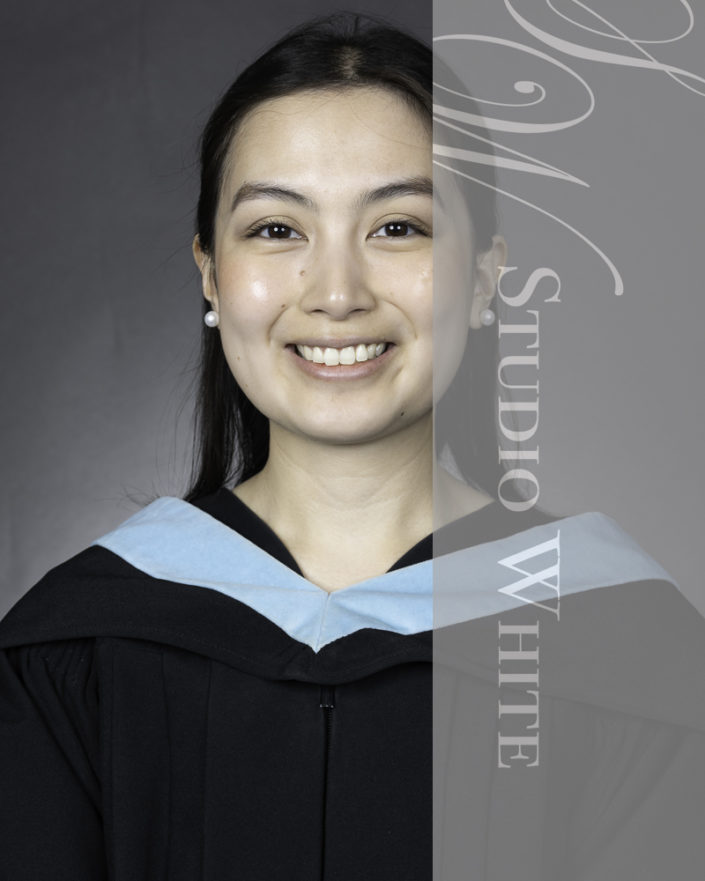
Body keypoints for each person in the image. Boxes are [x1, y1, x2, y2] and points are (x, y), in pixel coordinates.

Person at [1, 13, 704, 881]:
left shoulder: (630, 652)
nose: (336, 293)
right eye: (276, 229)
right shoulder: (73, 653)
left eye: (398, 226)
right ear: (211, 274)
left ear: (484, 277)